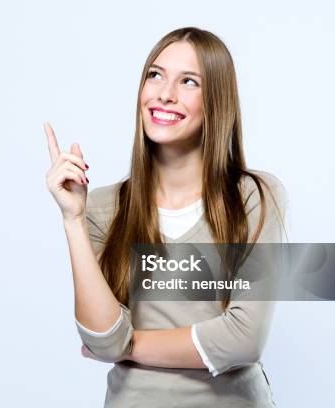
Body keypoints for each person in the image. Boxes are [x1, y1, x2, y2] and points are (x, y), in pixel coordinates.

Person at [44, 26, 287, 407]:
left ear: (216, 101)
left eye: (189, 81)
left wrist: (128, 345)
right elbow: (102, 339)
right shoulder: (102, 209)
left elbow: (244, 338)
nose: (165, 94)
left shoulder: (254, 197)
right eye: (154, 75)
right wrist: (72, 219)